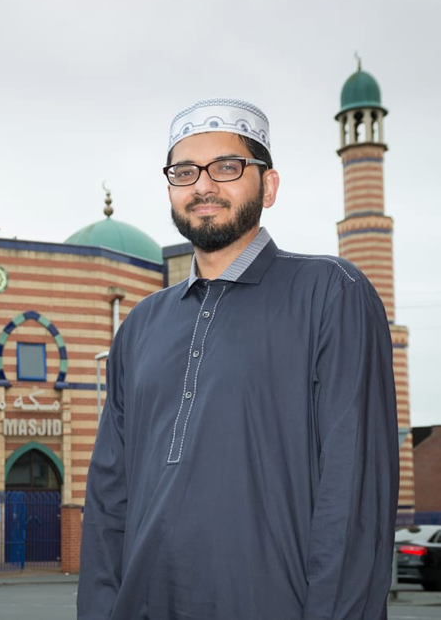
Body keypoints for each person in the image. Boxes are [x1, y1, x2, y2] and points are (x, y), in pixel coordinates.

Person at [77, 98, 399, 620]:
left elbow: (354, 501)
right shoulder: (140, 326)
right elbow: (108, 502)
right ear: (171, 191)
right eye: (186, 172)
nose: (203, 185)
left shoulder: (330, 294)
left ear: (267, 186)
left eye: (227, 167)